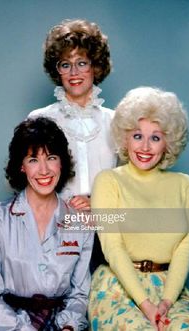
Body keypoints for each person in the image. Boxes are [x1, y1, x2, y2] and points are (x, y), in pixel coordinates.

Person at [88, 87, 189, 330]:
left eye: (155, 137)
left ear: (168, 142)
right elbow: (112, 248)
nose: (145, 147)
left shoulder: (187, 186)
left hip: (170, 289)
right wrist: (147, 307)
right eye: (137, 136)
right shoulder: (108, 181)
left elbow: (185, 248)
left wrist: (165, 303)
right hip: (117, 286)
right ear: (125, 137)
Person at [0, 117, 94, 331]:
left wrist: (68, 326)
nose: (44, 170)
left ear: (61, 162)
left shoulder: (82, 221)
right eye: (33, 160)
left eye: (51, 157)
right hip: (9, 325)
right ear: (21, 166)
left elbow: (79, 295)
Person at [28, 19, 117, 210]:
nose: (74, 72)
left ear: (96, 66)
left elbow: (129, 185)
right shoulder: (39, 120)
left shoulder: (115, 121)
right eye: (65, 64)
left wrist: (98, 204)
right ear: (57, 70)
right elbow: (31, 179)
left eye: (82, 63)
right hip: (57, 227)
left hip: (107, 227)